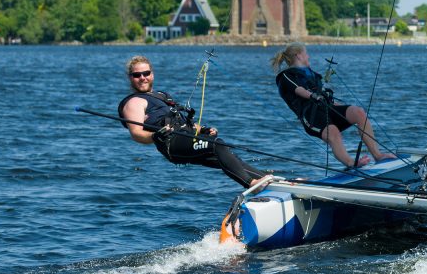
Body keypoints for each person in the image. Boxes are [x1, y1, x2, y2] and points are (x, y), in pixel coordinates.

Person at [118, 55, 270, 188]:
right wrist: (154, 136)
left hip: (187, 136)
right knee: (217, 144)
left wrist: (202, 129)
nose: (143, 78)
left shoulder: (162, 96)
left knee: (227, 156)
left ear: (152, 74)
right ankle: (250, 184)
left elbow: (181, 121)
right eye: (137, 75)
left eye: (146, 73)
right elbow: (136, 133)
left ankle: (266, 180)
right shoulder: (134, 102)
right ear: (131, 78)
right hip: (172, 144)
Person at [271, 43, 393, 168]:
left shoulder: (312, 75)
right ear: (298, 56)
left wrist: (341, 108)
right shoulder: (286, 76)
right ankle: (351, 163)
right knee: (333, 133)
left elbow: (325, 97)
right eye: (306, 53)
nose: (308, 56)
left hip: (326, 108)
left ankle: (378, 155)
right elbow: (298, 90)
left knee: (359, 113)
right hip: (312, 117)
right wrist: (312, 96)